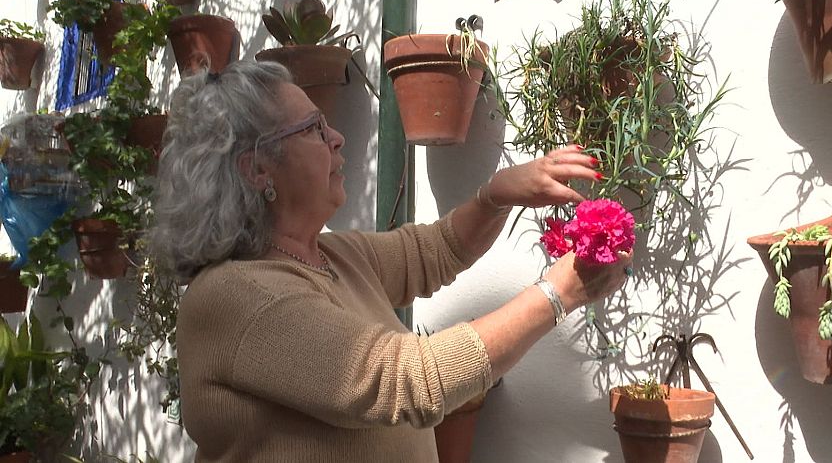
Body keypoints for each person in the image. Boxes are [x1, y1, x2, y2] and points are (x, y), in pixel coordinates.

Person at [150, 60, 632, 462]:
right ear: (257, 167)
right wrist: (556, 294)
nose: (336, 137)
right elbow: (404, 380)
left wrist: (495, 195)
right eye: (314, 129)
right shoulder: (236, 297)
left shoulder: (331, 255)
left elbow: (433, 251)